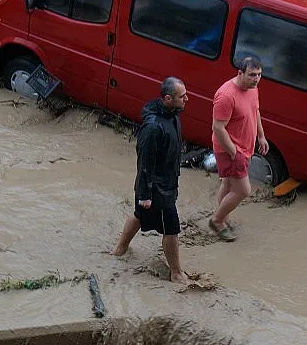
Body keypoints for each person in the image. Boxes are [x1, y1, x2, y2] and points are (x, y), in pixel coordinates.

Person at [110, 77, 189, 284]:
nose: (186, 99)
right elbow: (144, 161)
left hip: (166, 183)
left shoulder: (173, 115)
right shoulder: (153, 128)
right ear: (167, 98)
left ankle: (120, 249)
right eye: (182, 97)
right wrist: (145, 194)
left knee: (138, 215)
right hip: (157, 190)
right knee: (171, 228)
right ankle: (176, 273)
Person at [208, 56, 268, 242]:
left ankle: (223, 217)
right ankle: (217, 221)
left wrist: (261, 135)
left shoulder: (253, 88)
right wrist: (234, 152)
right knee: (243, 190)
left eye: (258, 75)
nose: (256, 79)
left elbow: (255, 111)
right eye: (251, 75)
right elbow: (217, 127)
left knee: (227, 184)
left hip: (245, 146)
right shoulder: (226, 95)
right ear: (240, 73)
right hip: (230, 150)